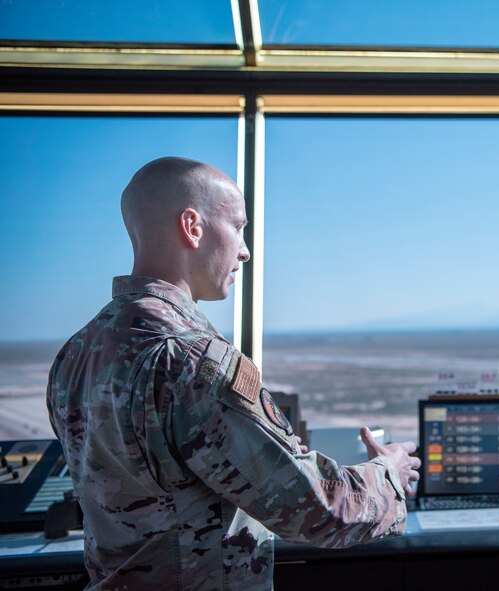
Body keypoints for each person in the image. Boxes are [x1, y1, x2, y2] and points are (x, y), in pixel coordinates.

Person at [46, 157, 420, 590]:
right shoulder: (191, 362)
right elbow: (316, 509)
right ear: (193, 226)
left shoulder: (76, 352)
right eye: (238, 227)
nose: (245, 250)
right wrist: (387, 472)